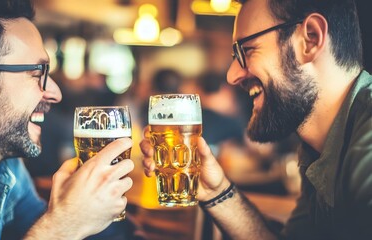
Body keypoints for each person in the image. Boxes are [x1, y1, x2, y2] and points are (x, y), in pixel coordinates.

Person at [140, 0, 372, 239]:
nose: (232, 76)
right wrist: (214, 191)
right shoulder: (317, 151)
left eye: (247, 50)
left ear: (310, 39)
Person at [0, 0, 134, 239]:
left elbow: (36, 222)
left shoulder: (5, 166)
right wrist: (62, 225)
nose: (56, 93)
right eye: (38, 74)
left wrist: (77, 209)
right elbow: (56, 227)